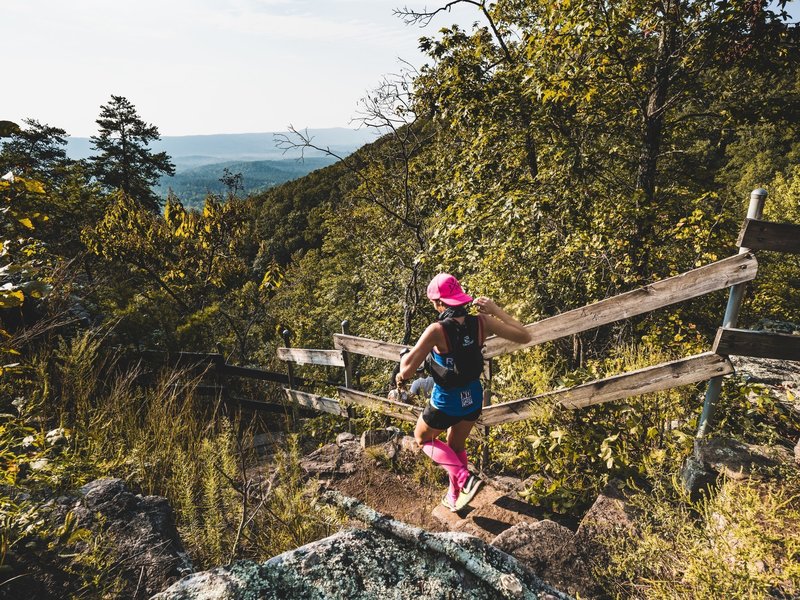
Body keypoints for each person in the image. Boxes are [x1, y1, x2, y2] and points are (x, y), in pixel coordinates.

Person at [397, 273, 531, 511]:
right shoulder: (482, 322)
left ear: (439, 303)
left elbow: (407, 371)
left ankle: (463, 478)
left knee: (422, 438)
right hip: (473, 398)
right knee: (455, 446)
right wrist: (496, 310)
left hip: (447, 401)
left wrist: (403, 363)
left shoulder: (436, 330)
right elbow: (524, 335)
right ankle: (454, 495)